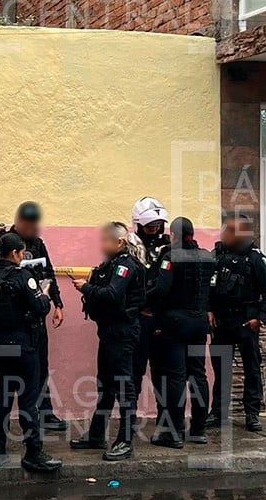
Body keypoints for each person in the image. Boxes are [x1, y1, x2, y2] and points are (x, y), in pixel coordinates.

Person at [0, 232, 63, 473]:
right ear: (15, 253)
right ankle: (34, 452)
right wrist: (45, 294)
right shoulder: (22, 277)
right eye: (22, 253)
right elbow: (40, 307)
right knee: (27, 398)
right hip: (23, 343)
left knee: (3, 395)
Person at [69, 222, 146, 461]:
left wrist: (86, 288)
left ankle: (125, 440)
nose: (102, 245)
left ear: (120, 242)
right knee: (105, 385)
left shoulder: (126, 266)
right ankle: (96, 435)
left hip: (122, 332)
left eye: (106, 241)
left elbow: (112, 294)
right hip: (109, 331)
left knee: (124, 386)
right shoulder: (111, 264)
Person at [0, 201, 67, 431]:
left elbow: (49, 273)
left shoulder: (38, 243)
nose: (32, 228)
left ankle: (46, 412)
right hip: (16, 319)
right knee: (12, 384)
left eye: (35, 224)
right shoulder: (3, 243)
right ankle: (25, 434)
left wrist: (57, 304)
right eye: (28, 224)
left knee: (41, 366)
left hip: (36, 317)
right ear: (19, 221)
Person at [145, 216, 215, 447]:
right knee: (198, 375)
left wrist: (141, 301)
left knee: (175, 376)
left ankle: (173, 432)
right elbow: (211, 290)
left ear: (173, 234)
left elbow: (162, 289)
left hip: (174, 324)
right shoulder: (207, 256)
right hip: (199, 323)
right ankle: (199, 429)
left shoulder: (170, 257)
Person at [207, 213, 266, 433]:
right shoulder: (216, 255)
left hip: (246, 320)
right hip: (222, 320)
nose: (225, 233)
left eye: (230, 230)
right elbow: (206, 287)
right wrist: (208, 310)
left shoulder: (255, 258)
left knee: (252, 369)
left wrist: (260, 319)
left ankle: (252, 414)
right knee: (221, 370)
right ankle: (218, 412)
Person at [131, 196, 170, 412]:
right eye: (149, 227)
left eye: (157, 226)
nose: (154, 230)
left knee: (162, 372)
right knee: (135, 371)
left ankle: (165, 418)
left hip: (161, 317)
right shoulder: (130, 246)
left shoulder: (168, 247)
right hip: (139, 317)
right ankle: (130, 417)